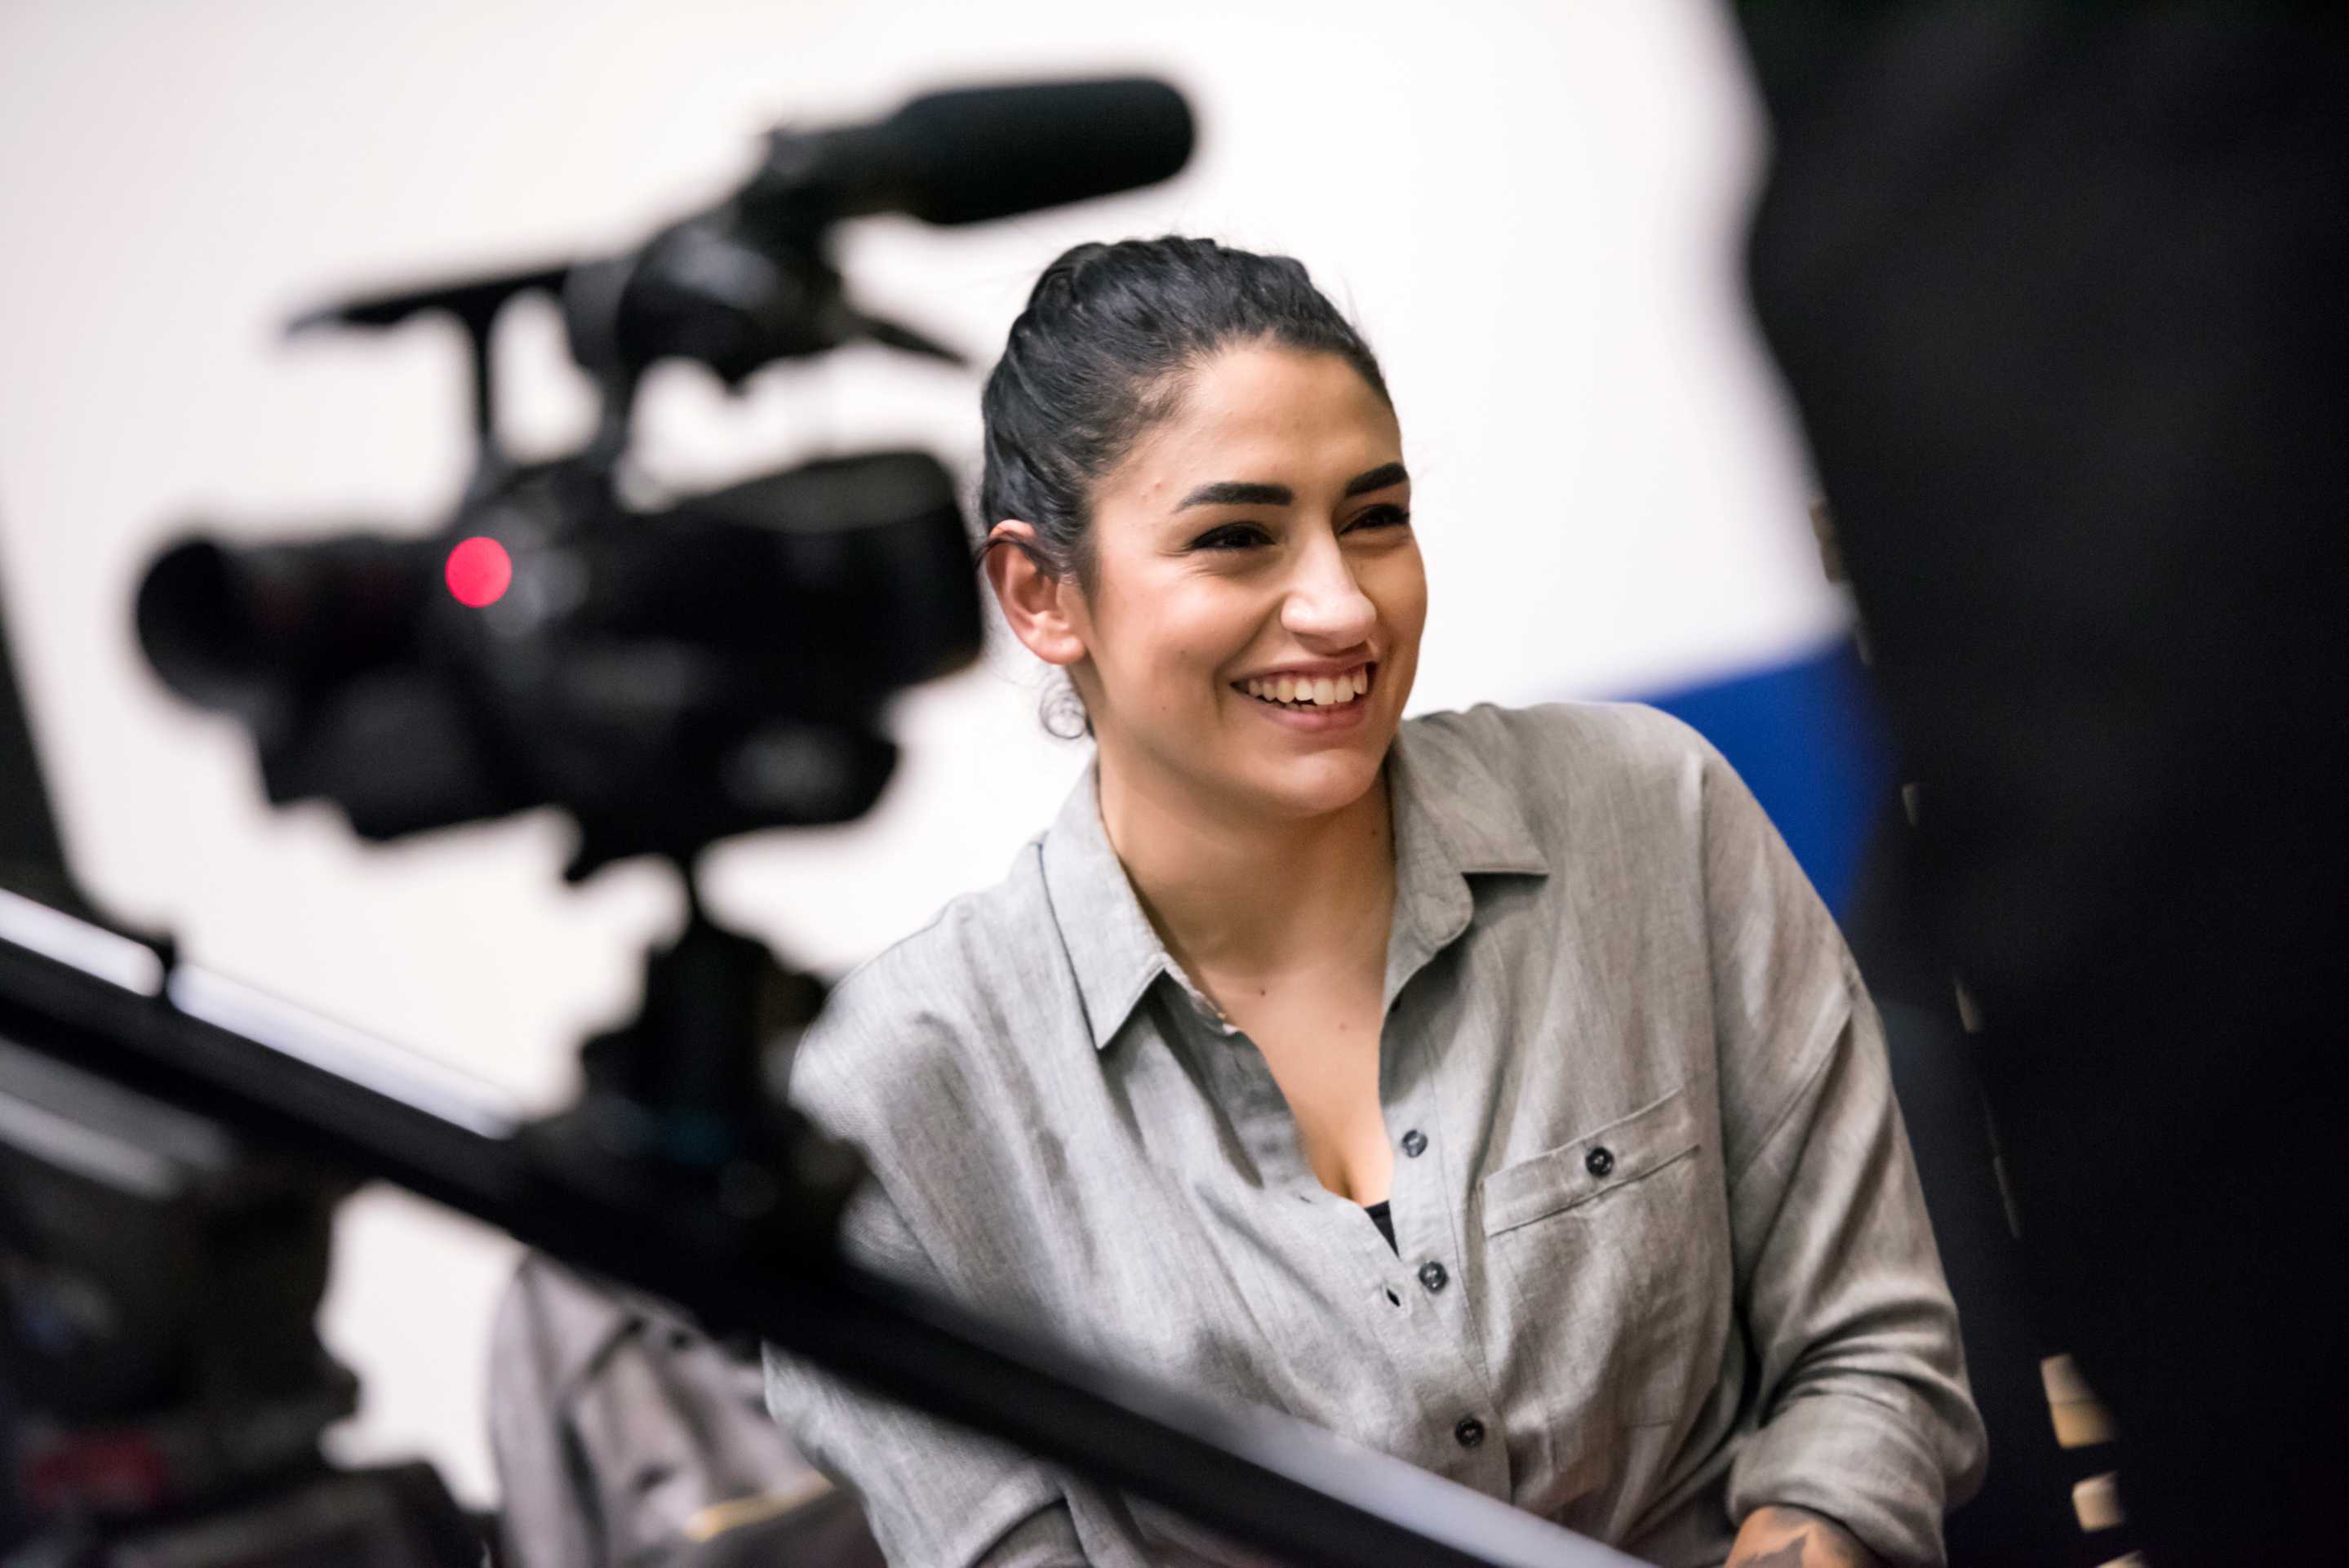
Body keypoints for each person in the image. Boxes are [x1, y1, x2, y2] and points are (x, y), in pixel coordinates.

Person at [763, 237, 1984, 1568]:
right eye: (1235, 538)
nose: (1341, 605)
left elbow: (1871, 1350)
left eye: (1374, 517)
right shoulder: (893, 1095)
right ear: (1041, 593)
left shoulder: (1648, 810)